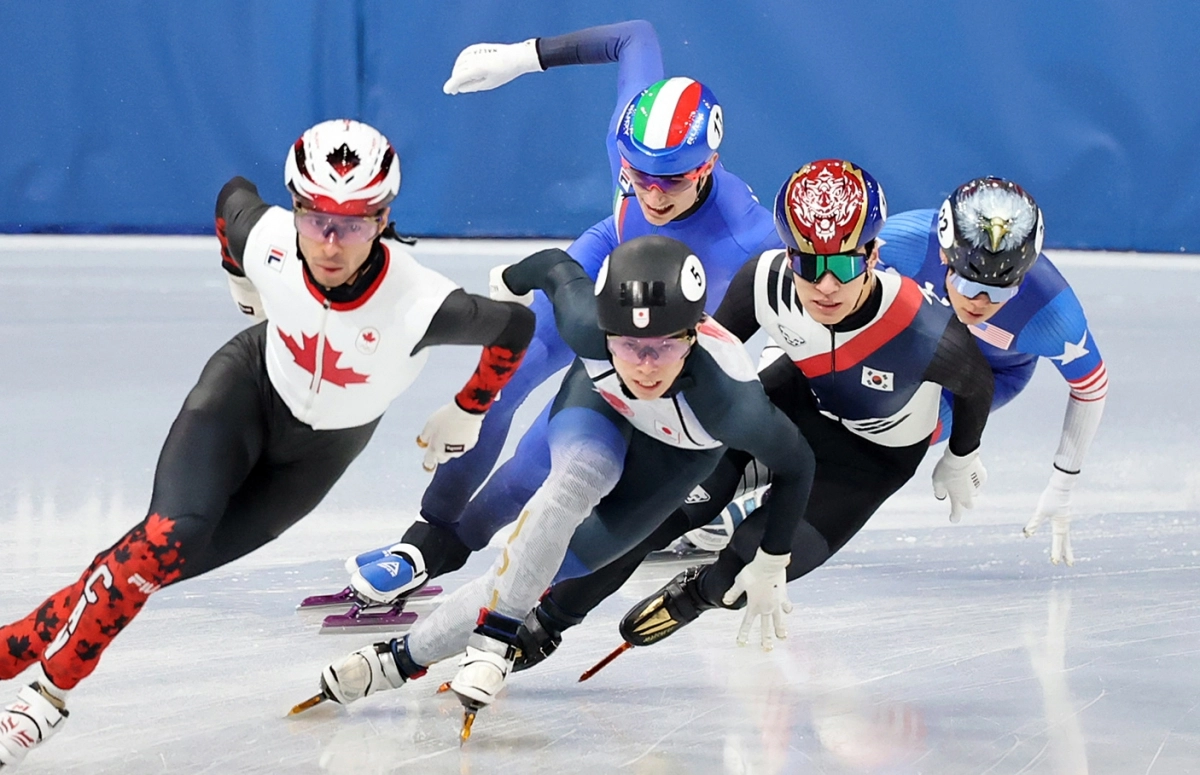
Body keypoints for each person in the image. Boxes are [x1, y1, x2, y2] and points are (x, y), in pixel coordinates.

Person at [0, 119, 536, 768]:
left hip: (318, 456)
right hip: (245, 391)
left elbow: (516, 325)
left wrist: (468, 408)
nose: (331, 243)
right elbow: (233, 199)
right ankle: (42, 701)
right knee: (169, 537)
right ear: (296, 206)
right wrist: (242, 280)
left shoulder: (419, 301)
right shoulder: (273, 239)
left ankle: (11, 645)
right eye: (316, 218)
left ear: (385, 217)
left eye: (355, 222)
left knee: (146, 566)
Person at [341, 21, 784, 608]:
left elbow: (823, 298)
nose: (652, 193)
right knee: (502, 379)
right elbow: (636, 37)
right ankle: (425, 539)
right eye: (637, 175)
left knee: (544, 452)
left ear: (708, 165)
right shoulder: (634, 131)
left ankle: (461, 545)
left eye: (671, 180)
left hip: (657, 331)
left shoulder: (748, 236)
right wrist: (522, 57)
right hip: (607, 254)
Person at [304, 235, 815, 725]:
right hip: (601, 408)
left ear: (694, 333)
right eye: (629, 344)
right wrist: (508, 279)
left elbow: (799, 466)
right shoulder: (585, 323)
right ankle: (496, 638)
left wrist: (772, 558)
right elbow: (553, 265)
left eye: (664, 346)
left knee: (547, 566)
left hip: (676, 457)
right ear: (604, 328)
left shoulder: (731, 403)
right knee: (575, 482)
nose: (645, 365)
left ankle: (396, 661)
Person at [512, 159, 998, 666]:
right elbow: (701, 361)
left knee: (748, 562)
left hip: (871, 460)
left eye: (845, 265)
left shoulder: (925, 332)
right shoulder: (763, 281)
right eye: (809, 264)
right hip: (793, 406)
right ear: (787, 254)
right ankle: (547, 621)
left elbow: (978, 385)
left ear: (873, 255)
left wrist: (962, 454)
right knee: (662, 512)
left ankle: (700, 593)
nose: (826, 285)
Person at [876, 177, 1106, 565]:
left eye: (1000, 290)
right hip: (917, 343)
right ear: (945, 256)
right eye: (967, 284)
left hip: (990, 374)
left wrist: (1062, 484)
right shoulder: (906, 238)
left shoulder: (1053, 316)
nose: (980, 302)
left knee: (894, 433)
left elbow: (1091, 387)